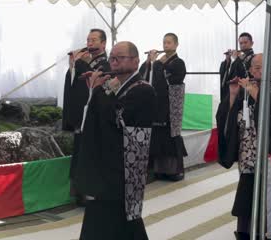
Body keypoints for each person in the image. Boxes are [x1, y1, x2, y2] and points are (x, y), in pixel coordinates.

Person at [74, 41, 155, 240]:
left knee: (121, 217)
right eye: (112, 58)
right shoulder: (115, 87)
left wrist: (99, 90)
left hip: (125, 167)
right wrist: (99, 90)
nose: (115, 62)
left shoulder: (143, 89)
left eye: (120, 57)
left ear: (136, 62)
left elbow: (117, 117)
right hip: (106, 164)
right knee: (109, 219)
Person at [216, 54, 271, 240]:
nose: (260, 71)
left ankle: (269, 231)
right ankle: (245, 231)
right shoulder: (243, 93)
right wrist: (233, 95)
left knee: (268, 194)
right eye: (257, 67)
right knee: (246, 193)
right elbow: (226, 120)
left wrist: (256, 94)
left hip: (268, 154)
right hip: (247, 156)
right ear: (250, 70)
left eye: (264, 67)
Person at [62, 28, 110, 205]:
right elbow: (74, 85)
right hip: (81, 116)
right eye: (88, 40)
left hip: (96, 116)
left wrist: (80, 64)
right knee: (80, 152)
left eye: (94, 40)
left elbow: (94, 86)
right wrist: (73, 66)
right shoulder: (87, 61)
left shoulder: (106, 63)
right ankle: (80, 192)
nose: (89, 43)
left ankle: (91, 192)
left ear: (103, 43)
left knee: (91, 154)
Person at [139, 33, 187, 181]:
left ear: (176, 45)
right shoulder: (160, 62)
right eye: (164, 43)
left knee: (170, 135)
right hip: (156, 103)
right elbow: (145, 77)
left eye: (169, 43)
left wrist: (157, 64)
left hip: (170, 104)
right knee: (157, 135)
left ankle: (174, 171)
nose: (166, 46)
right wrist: (148, 63)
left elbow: (172, 80)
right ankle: (158, 170)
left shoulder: (178, 62)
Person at [219, 32, 255, 101]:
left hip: (245, 92)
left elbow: (245, 73)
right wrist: (227, 61)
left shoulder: (254, 58)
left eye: (245, 42)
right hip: (232, 91)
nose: (243, 45)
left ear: (252, 43)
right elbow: (229, 75)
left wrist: (237, 59)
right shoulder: (240, 57)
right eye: (241, 43)